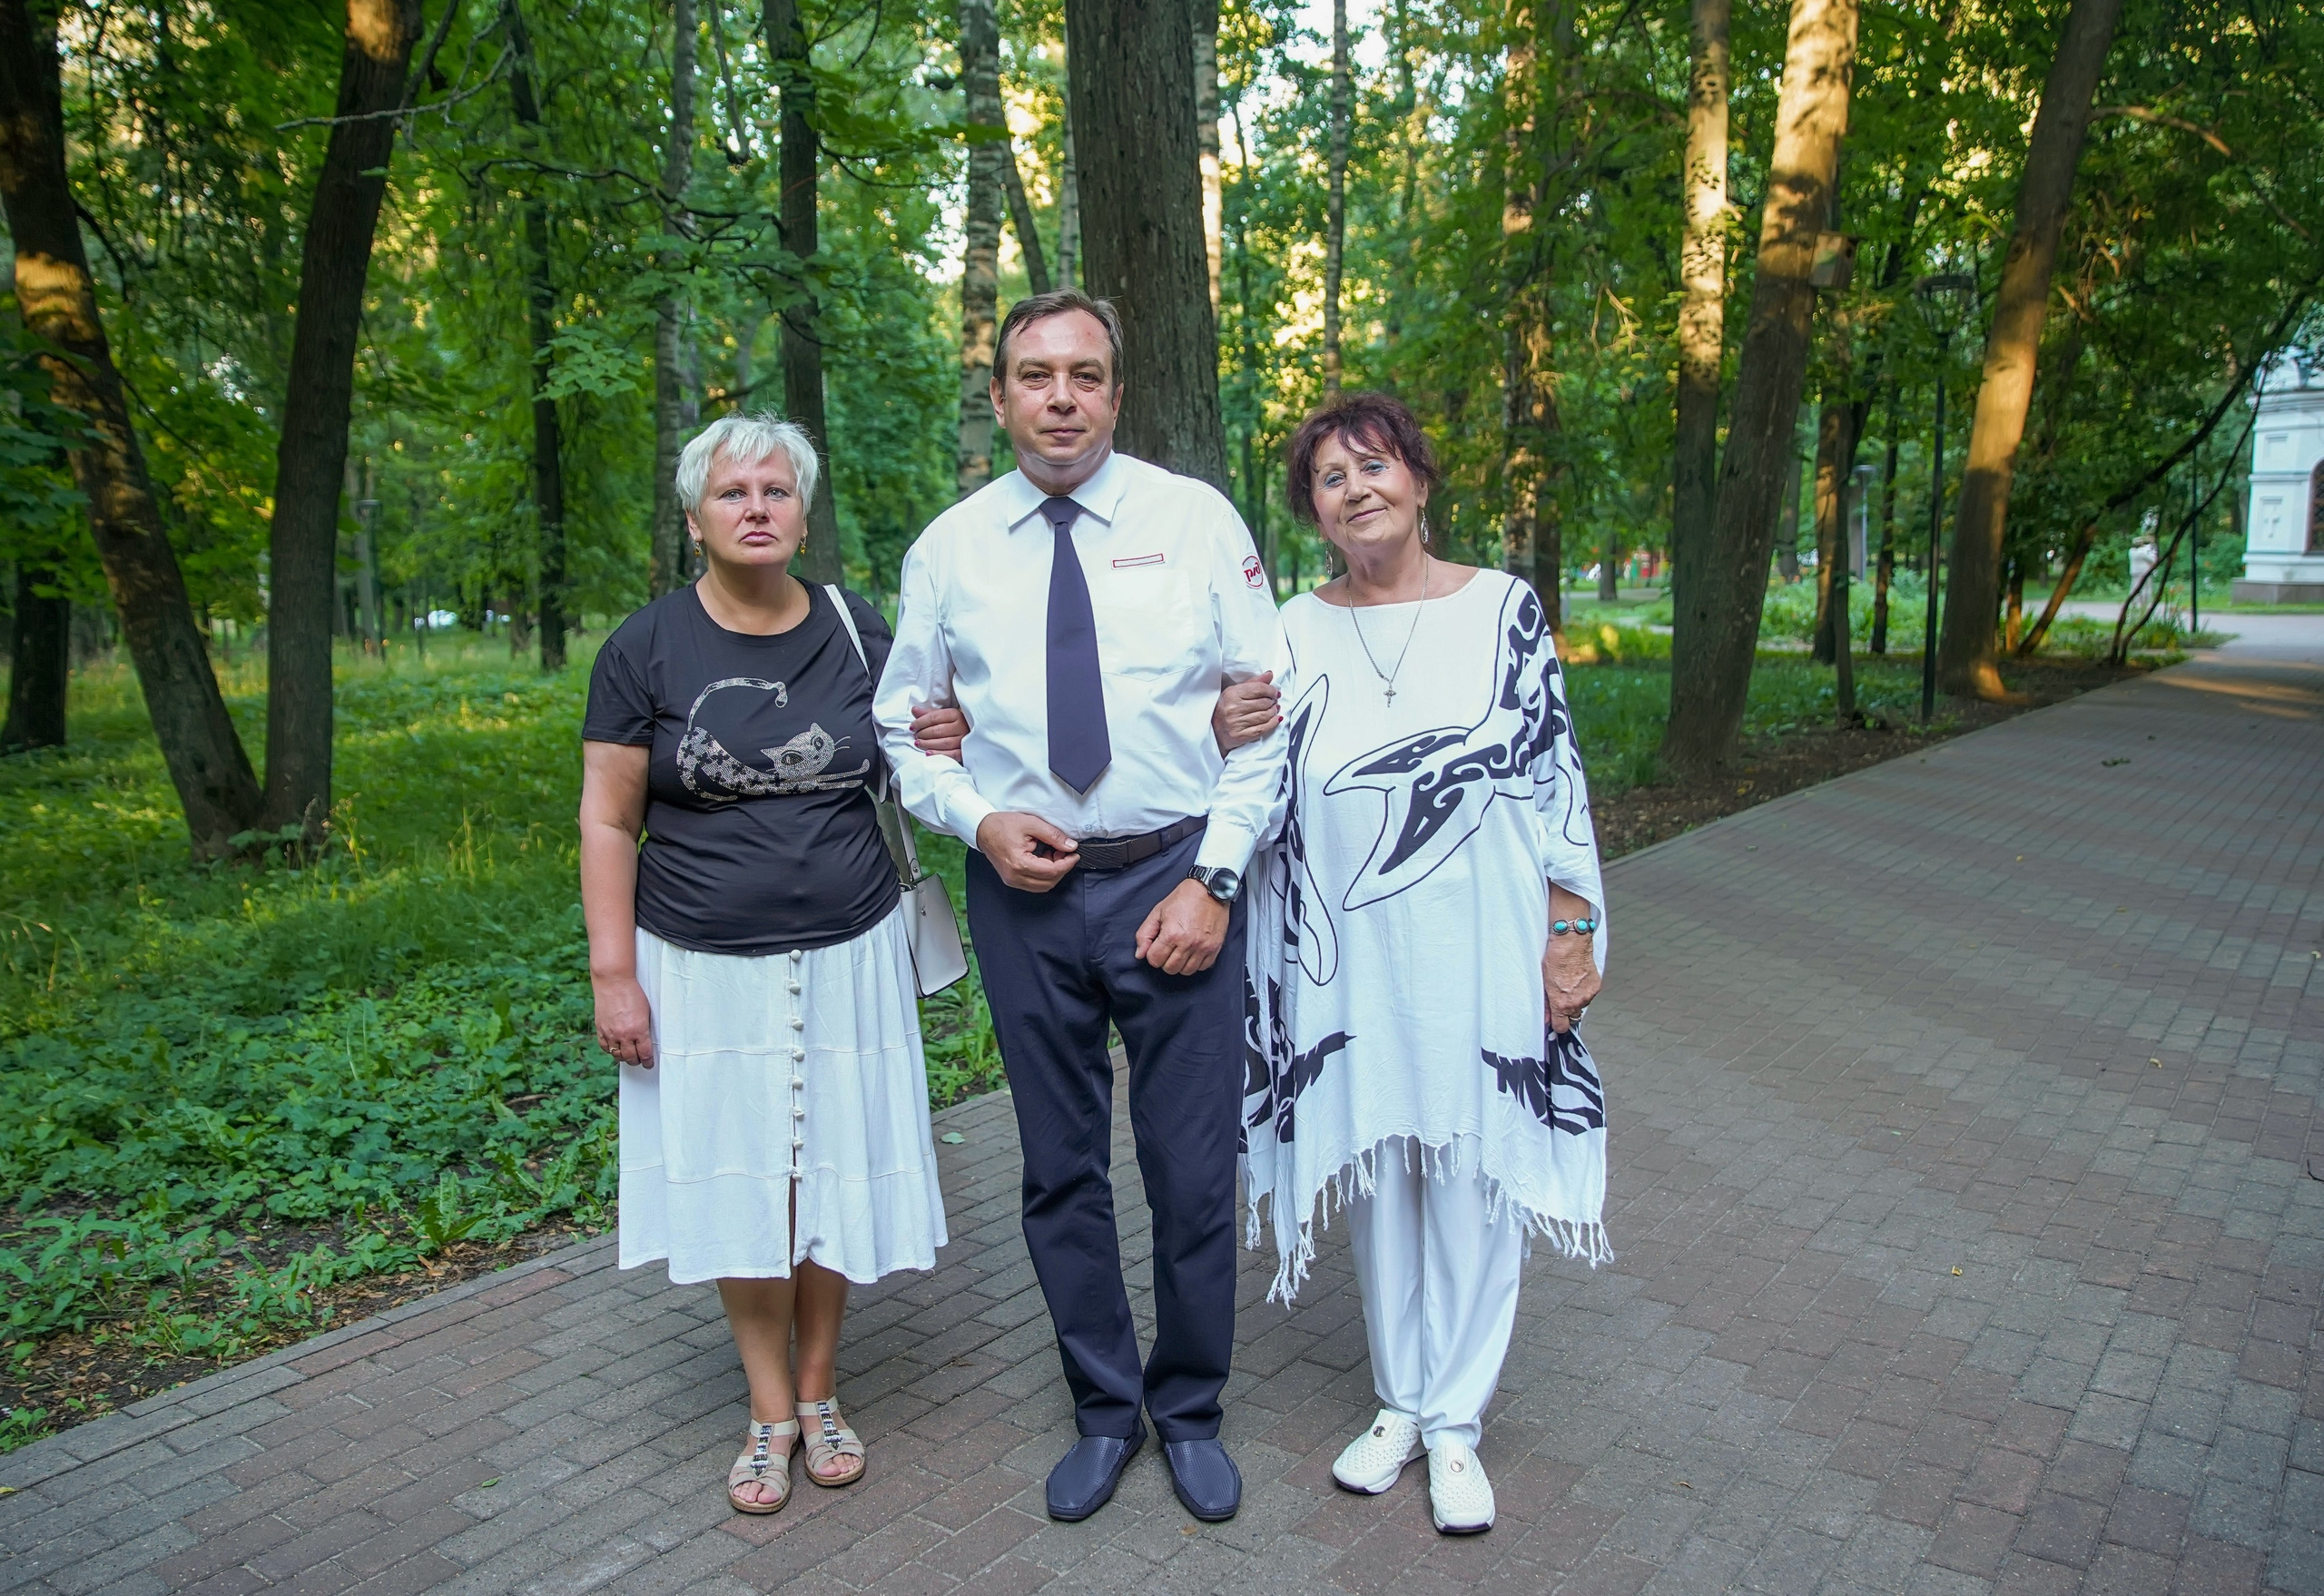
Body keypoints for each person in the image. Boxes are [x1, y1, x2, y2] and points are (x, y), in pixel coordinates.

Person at [874, 289, 1288, 1525]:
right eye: (1035, 375)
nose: (1061, 397)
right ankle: (1105, 1410)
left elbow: (1265, 719)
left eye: (1086, 375)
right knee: (1059, 1171)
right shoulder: (950, 548)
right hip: (1026, 899)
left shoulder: (1197, 521)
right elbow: (905, 716)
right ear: (999, 395)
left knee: (1190, 1169)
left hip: (1176, 883)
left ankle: (1193, 1408)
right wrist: (971, 813)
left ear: (1117, 392)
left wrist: (1215, 880)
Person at [1240, 390, 1610, 1536]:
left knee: (1472, 1169)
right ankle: (1398, 1403)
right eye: (1330, 480)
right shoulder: (1291, 627)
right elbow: (1246, 765)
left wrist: (1569, 931)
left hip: (1484, 942)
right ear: (1313, 512)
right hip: (1347, 960)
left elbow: (1554, 776)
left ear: (1420, 478)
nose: (1357, 490)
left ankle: (1456, 1425)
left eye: (1373, 466)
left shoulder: (1503, 607)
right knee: (1378, 1167)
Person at [578, 413, 948, 1517]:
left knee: (829, 1170)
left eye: (776, 492)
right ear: (695, 517)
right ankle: (768, 1409)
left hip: (851, 953)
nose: (756, 509)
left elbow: (921, 759)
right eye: (733, 492)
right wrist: (612, 974)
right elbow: (607, 821)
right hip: (697, 962)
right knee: (746, 1179)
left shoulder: (856, 629)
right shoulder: (642, 649)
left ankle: (825, 1392)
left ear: (801, 510)